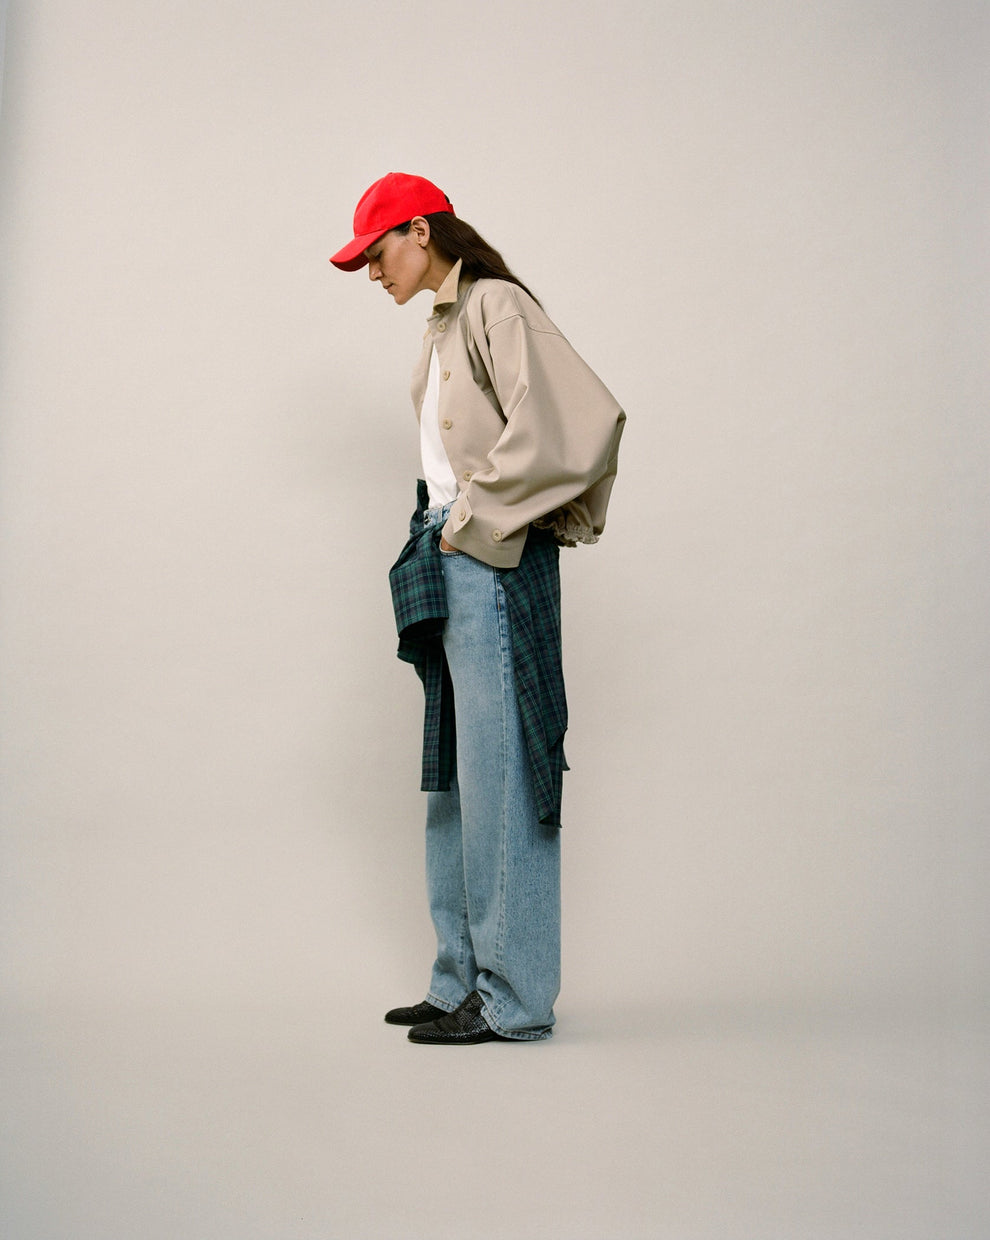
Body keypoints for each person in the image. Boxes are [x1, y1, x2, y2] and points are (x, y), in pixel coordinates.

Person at [331, 173, 625, 1044]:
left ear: (420, 232)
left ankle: (513, 999)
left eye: (376, 253)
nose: (372, 273)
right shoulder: (441, 324)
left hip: (489, 559)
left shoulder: (496, 304)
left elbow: (585, 423)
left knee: (502, 776)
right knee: (456, 776)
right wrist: (444, 529)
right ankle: (459, 977)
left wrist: (473, 521)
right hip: (449, 553)